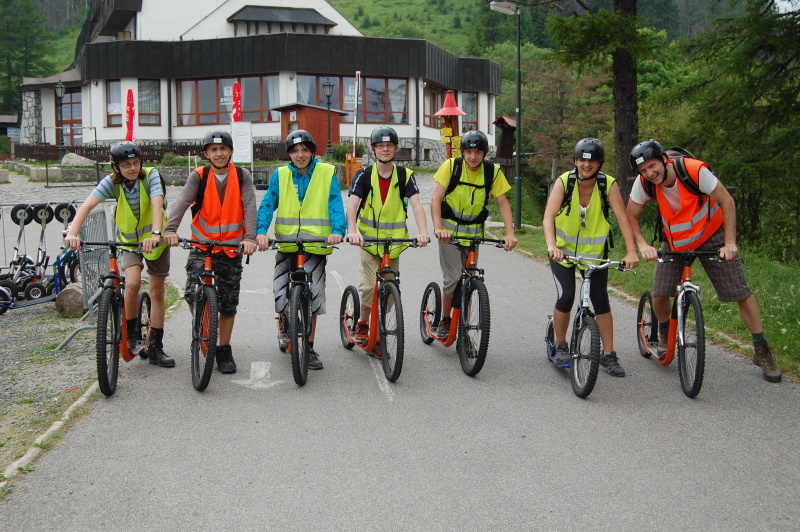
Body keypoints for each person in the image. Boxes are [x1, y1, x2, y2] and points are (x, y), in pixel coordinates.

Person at [626, 139, 781, 383]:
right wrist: (643, 245)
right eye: (643, 170)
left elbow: (727, 201)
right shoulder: (644, 182)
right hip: (675, 242)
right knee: (660, 294)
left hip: (712, 235)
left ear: (665, 160)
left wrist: (730, 243)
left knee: (740, 293)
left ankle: (761, 348)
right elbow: (631, 215)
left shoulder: (694, 171)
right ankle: (665, 331)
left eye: (652, 166)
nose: (649, 173)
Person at [65, 141, 174, 368]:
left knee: (156, 291)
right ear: (116, 167)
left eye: (136, 163)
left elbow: (157, 203)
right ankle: (132, 335)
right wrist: (72, 233)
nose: (133, 168)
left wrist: (156, 233)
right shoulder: (111, 183)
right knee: (132, 284)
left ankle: (156, 347)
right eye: (126, 165)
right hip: (129, 242)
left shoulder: (150, 176)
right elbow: (87, 205)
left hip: (156, 241)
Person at [163, 130, 258, 374]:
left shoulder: (242, 175)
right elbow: (182, 203)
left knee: (228, 301)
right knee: (191, 293)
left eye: (223, 149)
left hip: (230, 247)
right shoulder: (199, 176)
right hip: (202, 245)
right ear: (206, 153)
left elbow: (249, 206)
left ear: (230, 151)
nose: (219, 154)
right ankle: (203, 330)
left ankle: (223, 348)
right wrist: (170, 229)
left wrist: (249, 238)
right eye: (213, 150)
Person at [542, 138, 639, 377]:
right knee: (566, 296)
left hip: (595, 256)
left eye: (592, 160)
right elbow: (548, 217)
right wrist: (552, 245)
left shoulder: (608, 185)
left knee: (601, 300)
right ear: (575, 161)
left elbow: (623, 219)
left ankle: (609, 354)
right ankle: (561, 345)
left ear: (599, 163)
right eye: (582, 160)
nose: (587, 165)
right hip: (563, 254)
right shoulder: (564, 182)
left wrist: (631, 251)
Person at [256, 130, 345, 370]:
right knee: (281, 290)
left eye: (304, 150)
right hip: (287, 245)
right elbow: (268, 204)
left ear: (312, 151)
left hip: (315, 245)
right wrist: (261, 231)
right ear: (289, 154)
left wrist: (338, 230)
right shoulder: (281, 175)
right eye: (295, 151)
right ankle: (286, 321)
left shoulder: (326, 173)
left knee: (313, 295)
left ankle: (309, 345)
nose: (300, 155)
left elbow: (335, 203)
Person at [346, 127, 431, 352]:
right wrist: (352, 231)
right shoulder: (363, 175)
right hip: (368, 242)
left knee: (390, 290)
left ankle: (379, 329)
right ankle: (362, 323)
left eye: (389, 145)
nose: (385, 149)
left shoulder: (405, 176)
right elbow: (352, 205)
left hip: (393, 245)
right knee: (368, 287)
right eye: (380, 146)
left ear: (396, 148)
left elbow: (417, 205)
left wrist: (423, 231)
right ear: (373, 149)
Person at [430, 129, 518, 345]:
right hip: (449, 235)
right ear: (462, 152)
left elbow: (503, 202)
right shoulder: (451, 166)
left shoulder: (492, 172)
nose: (473, 156)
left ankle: (464, 333)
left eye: (478, 152)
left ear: (484, 153)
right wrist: (439, 228)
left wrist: (510, 233)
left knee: (468, 283)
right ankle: (445, 320)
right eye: (469, 152)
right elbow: (435, 199)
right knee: (454, 278)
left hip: (473, 236)